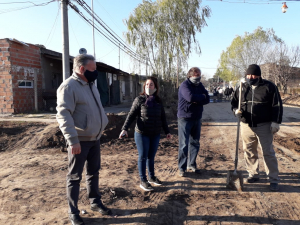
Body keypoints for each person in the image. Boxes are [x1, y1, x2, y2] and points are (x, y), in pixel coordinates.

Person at [56, 54, 110, 225]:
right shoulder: (68, 87)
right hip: (79, 141)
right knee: (74, 177)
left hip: (95, 138)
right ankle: (73, 212)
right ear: (81, 69)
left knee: (94, 173)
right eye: (93, 69)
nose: (96, 73)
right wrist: (73, 140)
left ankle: (95, 202)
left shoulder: (90, 84)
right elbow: (63, 115)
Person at [231, 64, 283, 192]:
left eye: (253, 75)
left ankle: (273, 179)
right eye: (248, 75)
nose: (250, 77)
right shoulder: (242, 87)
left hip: (264, 125)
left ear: (259, 75)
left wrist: (276, 122)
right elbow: (234, 102)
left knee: (268, 152)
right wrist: (235, 111)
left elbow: (277, 105)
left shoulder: (269, 87)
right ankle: (253, 174)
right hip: (246, 125)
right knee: (248, 150)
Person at [119, 77, 172, 192]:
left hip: (155, 133)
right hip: (142, 133)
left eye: (151, 84)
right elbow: (131, 115)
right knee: (143, 156)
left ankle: (151, 177)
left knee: (151, 156)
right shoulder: (139, 100)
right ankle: (143, 180)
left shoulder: (158, 101)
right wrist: (125, 129)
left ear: (155, 87)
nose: (148, 86)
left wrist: (167, 131)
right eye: (146, 84)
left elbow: (162, 117)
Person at [177, 67, 210, 177]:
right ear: (190, 76)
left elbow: (207, 99)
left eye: (199, 75)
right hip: (185, 119)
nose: (198, 78)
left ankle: (192, 164)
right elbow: (190, 97)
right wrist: (201, 97)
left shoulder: (199, 85)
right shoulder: (184, 85)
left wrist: (199, 99)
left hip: (197, 118)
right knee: (183, 145)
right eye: (196, 75)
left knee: (195, 143)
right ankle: (182, 168)